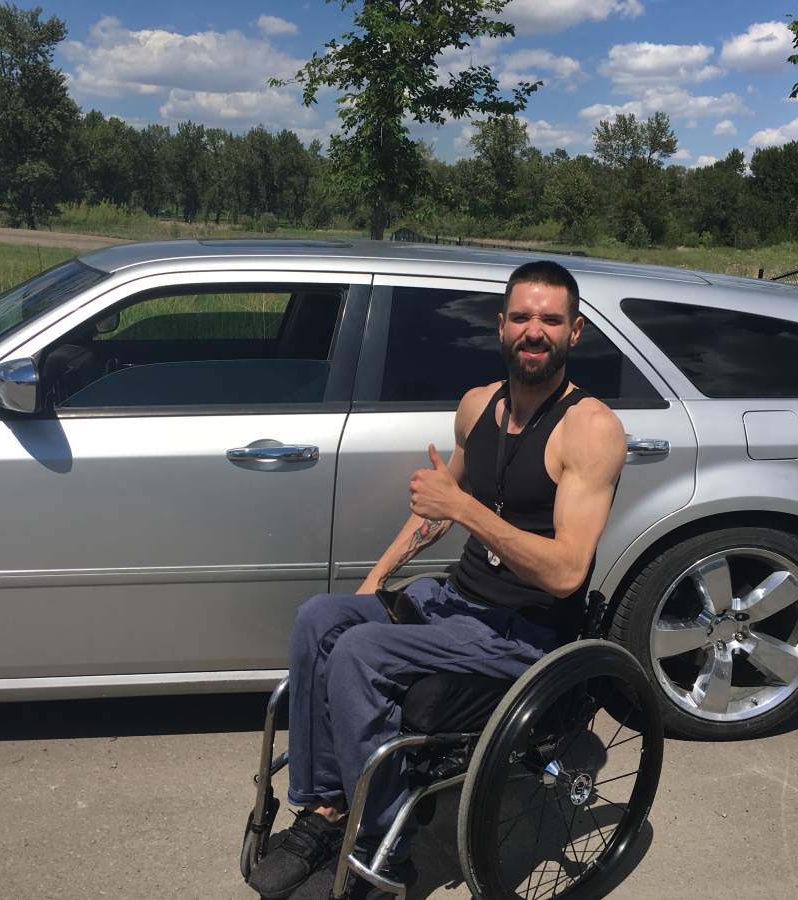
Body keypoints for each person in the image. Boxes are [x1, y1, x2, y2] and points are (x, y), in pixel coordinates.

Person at [247, 260, 627, 899]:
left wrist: (465, 509)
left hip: (522, 632)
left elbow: (566, 572)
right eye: (523, 317)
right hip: (455, 602)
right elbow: (439, 511)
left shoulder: (590, 430)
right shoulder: (477, 406)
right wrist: (373, 581)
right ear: (501, 325)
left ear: (575, 331)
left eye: (552, 320)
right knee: (322, 618)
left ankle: (381, 844)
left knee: (362, 654)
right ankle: (323, 810)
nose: (536, 331)